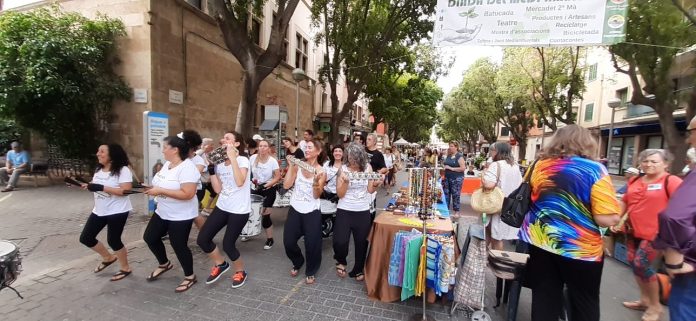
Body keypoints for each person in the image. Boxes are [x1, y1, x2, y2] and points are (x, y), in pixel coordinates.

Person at [518, 125, 621, 321]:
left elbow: (529, 197)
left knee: (544, 299)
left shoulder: (538, 165)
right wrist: (616, 217)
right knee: (584, 302)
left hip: (541, 241)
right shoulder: (595, 170)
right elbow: (604, 217)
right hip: (580, 249)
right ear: (587, 143)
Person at [611, 149, 682, 321]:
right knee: (635, 265)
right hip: (633, 231)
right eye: (645, 161)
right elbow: (625, 201)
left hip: (656, 235)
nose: (648, 164)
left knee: (641, 265)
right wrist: (617, 220)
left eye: (654, 161)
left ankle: (655, 307)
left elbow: (684, 206)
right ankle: (644, 300)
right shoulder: (636, 179)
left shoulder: (671, 181)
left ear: (665, 164)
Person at [143, 132, 201, 293]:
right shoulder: (167, 166)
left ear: (175, 150)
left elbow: (187, 194)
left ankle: (190, 276)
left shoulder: (188, 168)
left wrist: (160, 190)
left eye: (165, 148)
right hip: (163, 211)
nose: (163, 151)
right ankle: (164, 263)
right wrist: (150, 188)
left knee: (179, 245)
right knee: (150, 237)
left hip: (181, 215)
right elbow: (160, 185)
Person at [652, 116, 696, 321]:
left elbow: (675, 217)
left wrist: (674, 262)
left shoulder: (673, 180)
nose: (689, 140)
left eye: (692, 132)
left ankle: (652, 306)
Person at [196, 131, 252, 288]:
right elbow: (218, 189)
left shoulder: (242, 160)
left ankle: (240, 271)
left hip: (239, 210)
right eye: (223, 138)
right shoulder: (220, 164)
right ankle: (220, 264)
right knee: (203, 239)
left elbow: (240, 181)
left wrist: (232, 157)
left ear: (237, 144)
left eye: (228, 138)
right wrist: (212, 170)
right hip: (222, 206)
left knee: (228, 244)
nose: (223, 140)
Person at [78, 144, 133, 281]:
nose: (98, 154)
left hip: (118, 210)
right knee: (86, 238)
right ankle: (108, 257)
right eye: (98, 151)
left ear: (112, 155)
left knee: (113, 240)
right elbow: (95, 183)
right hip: (99, 210)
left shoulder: (123, 170)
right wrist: (86, 184)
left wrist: (102, 187)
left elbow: (125, 191)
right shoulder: (99, 168)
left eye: (102, 152)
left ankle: (125, 268)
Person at [334, 143, 381, 282]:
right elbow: (340, 194)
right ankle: (341, 261)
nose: (352, 161)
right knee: (340, 241)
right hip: (344, 209)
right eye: (349, 157)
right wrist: (345, 183)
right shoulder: (342, 169)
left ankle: (358, 269)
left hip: (362, 210)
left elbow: (370, 190)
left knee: (361, 243)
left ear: (360, 158)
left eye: (354, 158)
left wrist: (376, 184)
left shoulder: (367, 168)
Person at [282, 139, 327, 285]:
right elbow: (287, 184)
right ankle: (298, 260)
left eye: (309, 147)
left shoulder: (321, 171)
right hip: (295, 208)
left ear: (318, 151)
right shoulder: (298, 165)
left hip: (312, 210)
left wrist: (316, 181)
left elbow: (316, 195)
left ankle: (311, 270)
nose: (306, 150)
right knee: (288, 241)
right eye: (305, 147)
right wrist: (290, 166)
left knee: (312, 243)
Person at [482, 142, 523, 250]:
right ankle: (487, 258)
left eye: (493, 150)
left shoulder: (496, 164)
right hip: (509, 204)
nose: (491, 153)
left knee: (495, 236)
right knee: (495, 233)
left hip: (495, 204)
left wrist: (484, 173)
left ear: (499, 151)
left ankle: (496, 262)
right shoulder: (515, 166)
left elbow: (488, 184)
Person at [246, 139, 281, 249]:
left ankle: (270, 239)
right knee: (250, 212)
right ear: (258, 147)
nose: (262, 148)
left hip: (268, 189)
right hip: (255, 188)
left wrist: (266, 185)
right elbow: (247, 173)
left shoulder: (272, 161)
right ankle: (249, 232)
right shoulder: (252, 158)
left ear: (269, 148)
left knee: (265, 216)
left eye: (265, 146)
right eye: (260, 146)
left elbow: (277, 177)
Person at [182, 131, 206, 230]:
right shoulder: (180, 158)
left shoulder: (199, 161)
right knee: (193, 214)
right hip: (182, 190)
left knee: (194, 215)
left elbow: (193, 177)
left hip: (196, 191)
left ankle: (206, 235)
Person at [443, 141, 466, 218]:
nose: (450, 147)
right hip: (447, 177)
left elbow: (463, 168)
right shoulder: (448, 155)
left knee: (455, 194)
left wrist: (451, 168)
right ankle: (446, 210)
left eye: (452, 146)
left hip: (456, 178)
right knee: (446, 194)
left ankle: (457, 211)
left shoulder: (459, 156)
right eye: (450, 146)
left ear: (456, 147)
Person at [198, 138, 218, 215]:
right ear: (206, 145)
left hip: (209, 181)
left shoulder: (211, 154)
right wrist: (203, 149)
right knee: (200, 197)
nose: (213, 146)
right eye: (211, 144)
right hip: (201, 181)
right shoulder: (200, 153)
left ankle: (206, 208)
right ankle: (194, 213)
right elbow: (195, 155)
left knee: (214, 192)